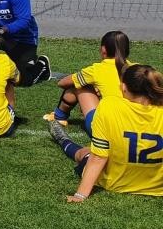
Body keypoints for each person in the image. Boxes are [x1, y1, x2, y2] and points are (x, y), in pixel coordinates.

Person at [49, 64, 163, 201]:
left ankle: (62, 139)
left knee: (84, 153)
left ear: (124, 87)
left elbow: (98, 158)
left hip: (115, 182)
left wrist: (80, 195)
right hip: (157, 187)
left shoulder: (109, 106)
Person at [43, 31, 132, 129]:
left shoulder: (96, 70)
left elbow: (62, 83)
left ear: (103, 50)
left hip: (104, 129)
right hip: (134, 126)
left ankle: (59, 117)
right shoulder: (137, 69)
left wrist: (92, 88)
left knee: (78, 84)